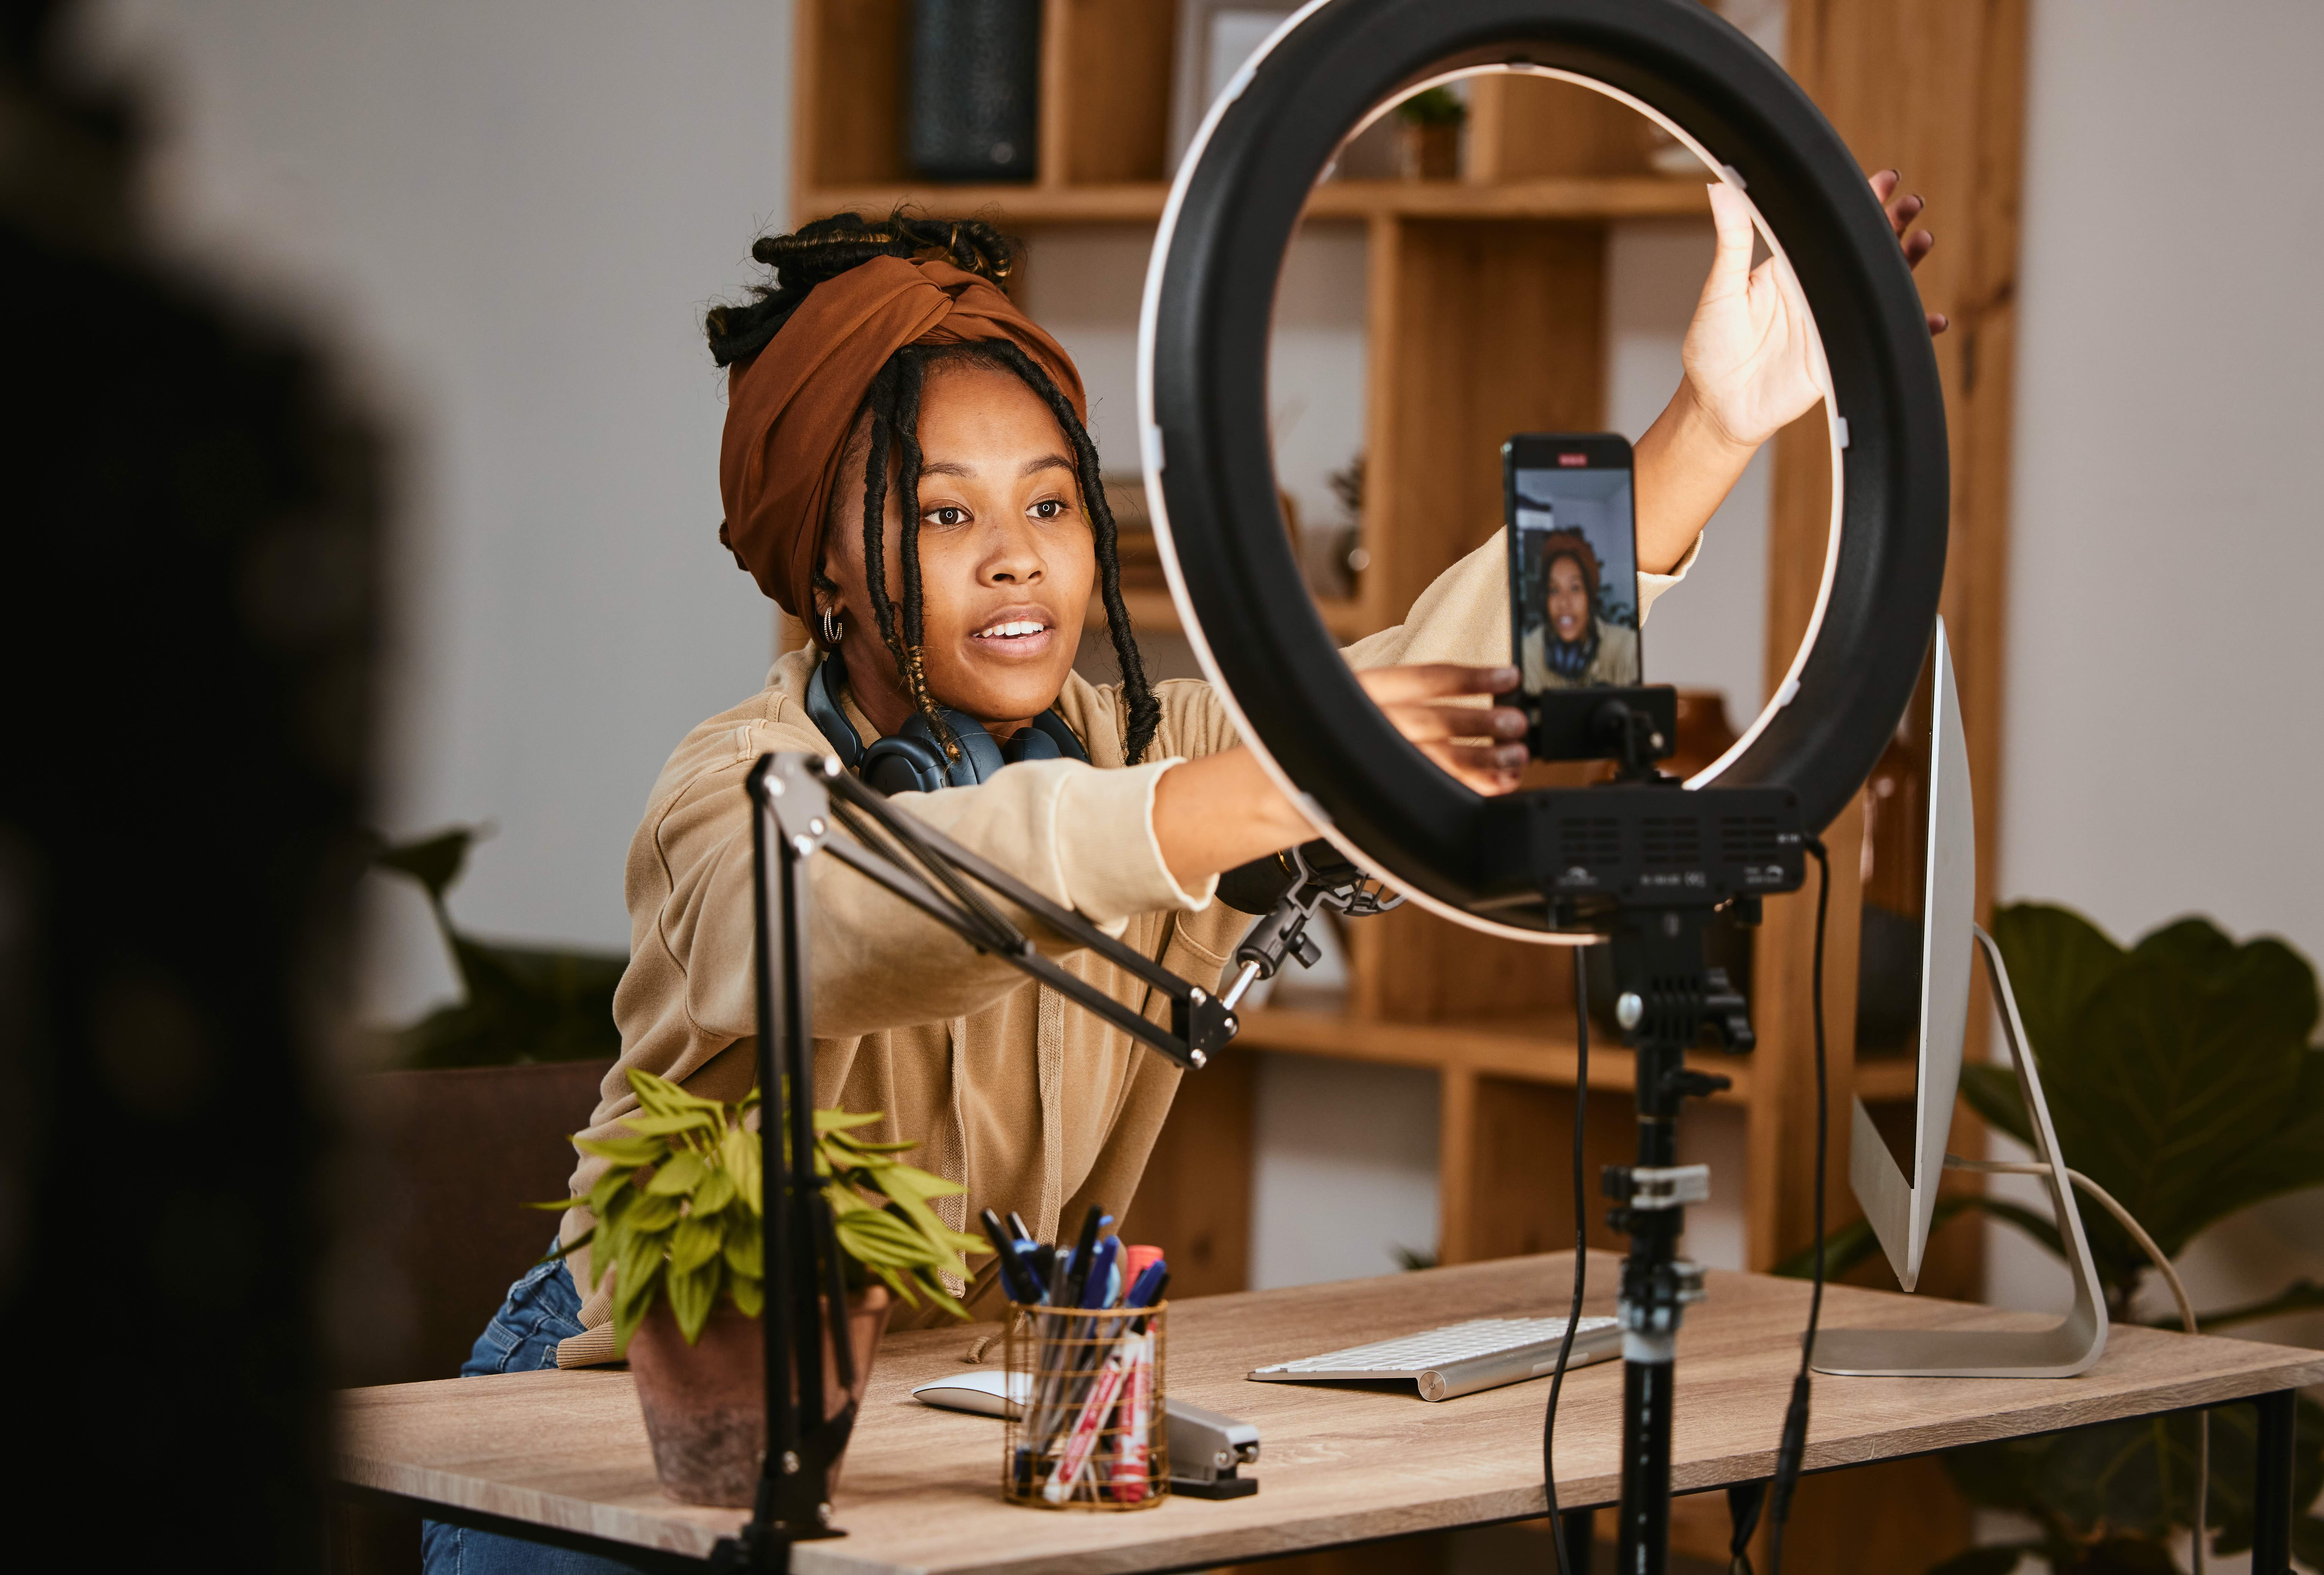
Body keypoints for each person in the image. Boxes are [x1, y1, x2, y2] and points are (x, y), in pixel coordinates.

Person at [427, 172, 1941, 1575]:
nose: (1014, 554)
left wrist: (1710, 422)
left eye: (1048, 500)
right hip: (616, 1418)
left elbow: (1447, 677)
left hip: (946, 1400)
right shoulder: (734, 794)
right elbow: (855, 914)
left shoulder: (1149, 743)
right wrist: (1223, 799)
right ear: (821, 561)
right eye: (943, 511)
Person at [1521, 529, 1639, 688]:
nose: (1564, 603)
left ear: (1590, 597)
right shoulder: (1529, 653)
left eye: (1575, 588)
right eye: (1554, 590)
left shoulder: (1627, 647)